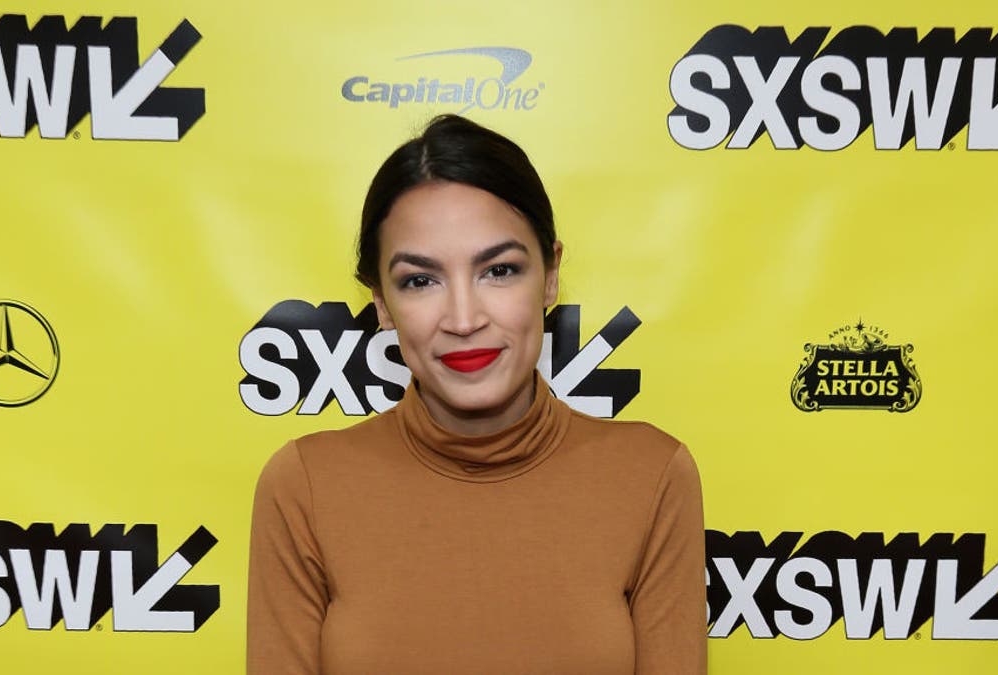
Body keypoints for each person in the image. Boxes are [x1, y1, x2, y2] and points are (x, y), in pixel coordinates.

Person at [247, 114, 706, 674]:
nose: (464, 319)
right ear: (383, 304)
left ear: (551, 274)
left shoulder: (652, 475)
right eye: (420, 280)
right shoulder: (304, 485)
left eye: (499, 270)